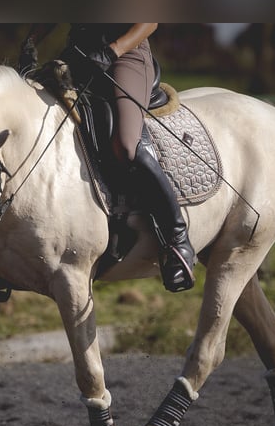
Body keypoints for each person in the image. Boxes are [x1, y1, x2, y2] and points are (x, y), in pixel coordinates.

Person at [19, 24, 195, 292]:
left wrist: (112, 52)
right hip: (78, 56)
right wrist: (31, 40)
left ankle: (177, 236)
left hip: (125, 56)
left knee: (126, 145)